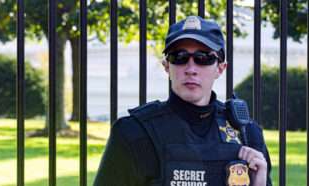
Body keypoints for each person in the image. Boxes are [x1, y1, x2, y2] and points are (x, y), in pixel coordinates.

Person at [94, 15, 272, 186]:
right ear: (167, 66)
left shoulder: (247, 133)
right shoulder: (133, 132)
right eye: (179, 57)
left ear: (220, 68)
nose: (191, 68)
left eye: (203, 58)